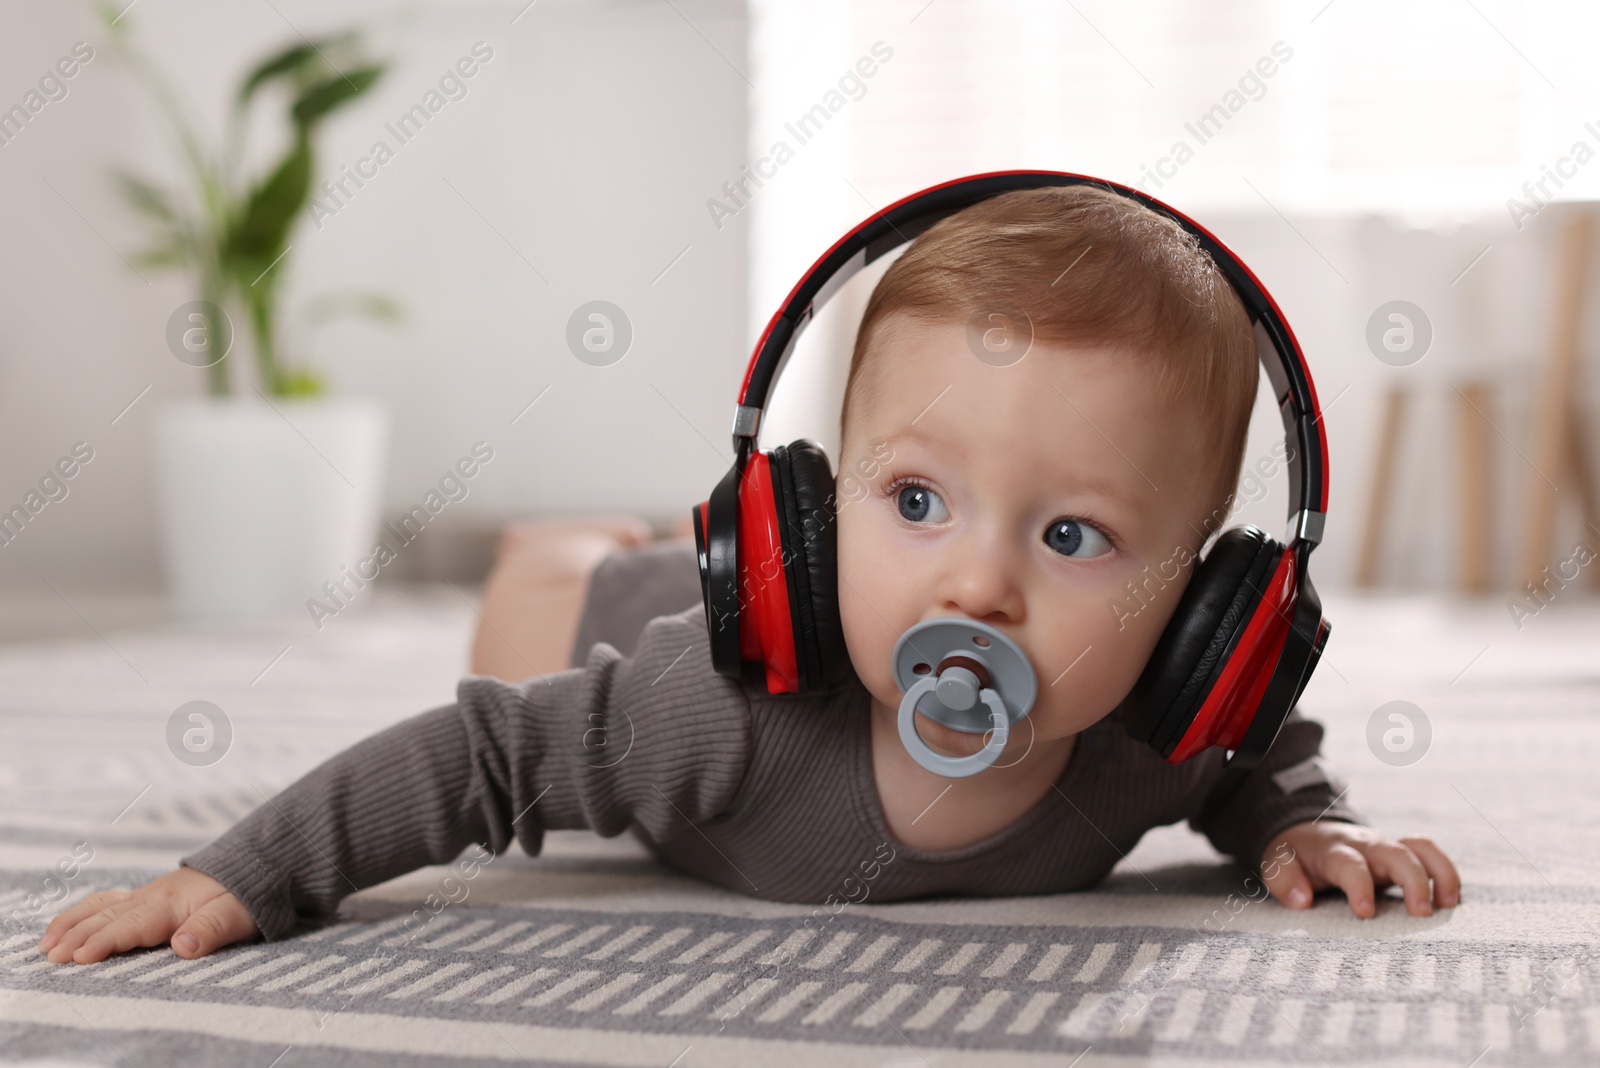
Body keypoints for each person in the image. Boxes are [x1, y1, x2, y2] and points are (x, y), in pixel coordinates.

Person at [39, 185, 1459, 966]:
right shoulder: (711, 715)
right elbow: (482, 757)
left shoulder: (1159, 741)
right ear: (821, 508)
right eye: (914, 499)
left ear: (1213, 611)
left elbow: (1264, 767)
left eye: (1071, 535)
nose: (978, 585)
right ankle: (601, 547)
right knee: (557, 585)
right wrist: (253, 870)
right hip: (620, 625)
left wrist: (1305, 832)